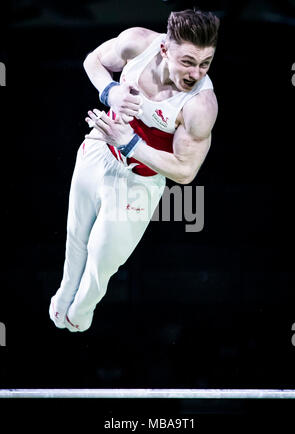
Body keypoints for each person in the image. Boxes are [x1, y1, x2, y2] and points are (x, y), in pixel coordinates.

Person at [49, 8, 219, 332]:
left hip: (138, 182)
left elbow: (185, 172)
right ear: (165, 48)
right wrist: (109, 91)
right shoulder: (138, 42)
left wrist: (131, 144)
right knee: (76, 237)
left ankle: (81, 309)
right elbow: (93, 61)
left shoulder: (200, 105)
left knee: (103, 260)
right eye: (187, 61)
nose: (195, 73)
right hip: (98, 149)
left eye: (205, 63)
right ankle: (64, 293)